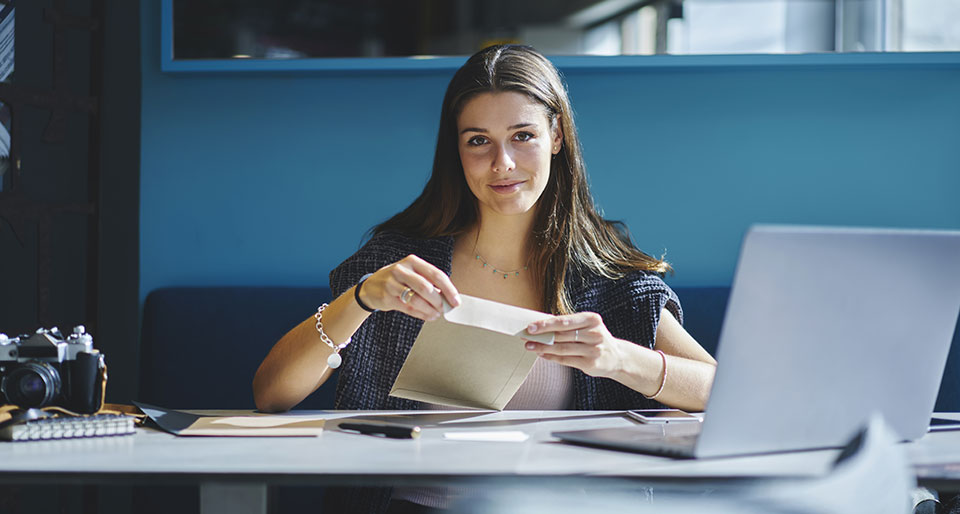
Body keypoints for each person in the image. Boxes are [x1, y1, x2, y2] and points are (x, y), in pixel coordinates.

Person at [253, 44, 717, 513]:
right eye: (478, 140)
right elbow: (270, 395)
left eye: (522, 136)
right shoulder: (400, 260)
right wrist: (360, 299)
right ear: (456, 149)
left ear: (556, 135)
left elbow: (722, 392)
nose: (503, 164)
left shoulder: (607, 279)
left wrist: (618, 358)